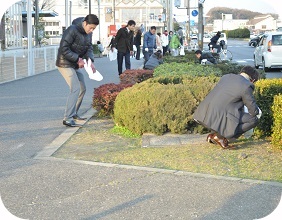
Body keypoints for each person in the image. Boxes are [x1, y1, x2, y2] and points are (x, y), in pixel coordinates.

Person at [193, 66, 261, 149]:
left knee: (230, 112)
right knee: (253, 120)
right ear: (252, 80)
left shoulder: (226, 77)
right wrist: (258, 112)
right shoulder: (246, 86)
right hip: (219, 116)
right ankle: (222, 137)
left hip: (202, 114)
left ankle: (213, 135)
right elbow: (253, 110)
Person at [56, 14, 99, 127]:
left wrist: (90, 61)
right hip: (64, 63)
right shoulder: (72, 30)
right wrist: (78, 59)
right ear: (85, 23)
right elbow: (63, 48)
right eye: (90, 28)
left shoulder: (88, 34)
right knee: (75, 88)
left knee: (82, 88)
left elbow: (89, 48)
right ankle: (68, 118)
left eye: (94, 29)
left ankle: (73, 113)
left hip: (75, 64)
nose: (91, 30)